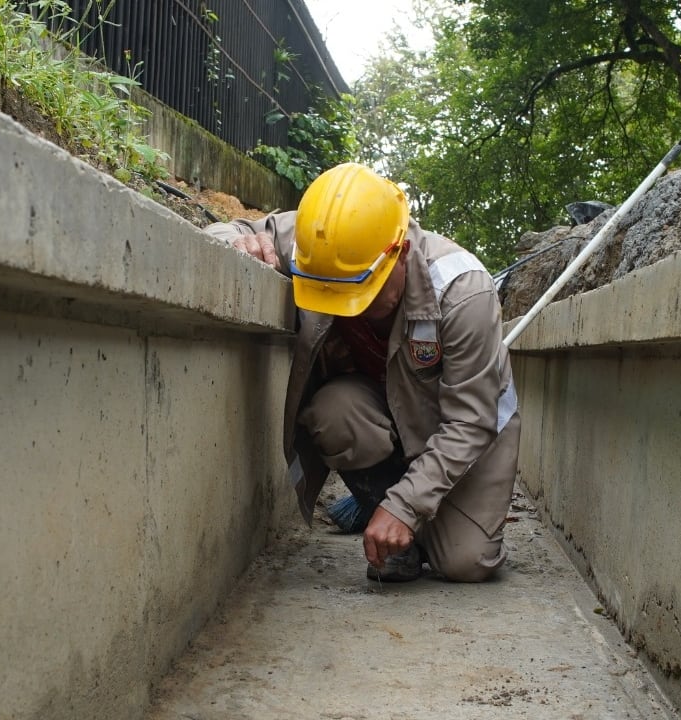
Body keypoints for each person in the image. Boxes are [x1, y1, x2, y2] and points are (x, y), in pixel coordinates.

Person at [204, 163, 520, 583]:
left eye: (360, 294)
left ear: (400, 253)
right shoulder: (321, 242)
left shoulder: (464, 293)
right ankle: (389, 527)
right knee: (333, 412)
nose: (345, 308)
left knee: (465, 562)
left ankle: (407, 514)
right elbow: (222, 230)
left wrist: (405, 506)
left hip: (462, 429)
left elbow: (469, 422)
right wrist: (239, 243)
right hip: (375, 412)